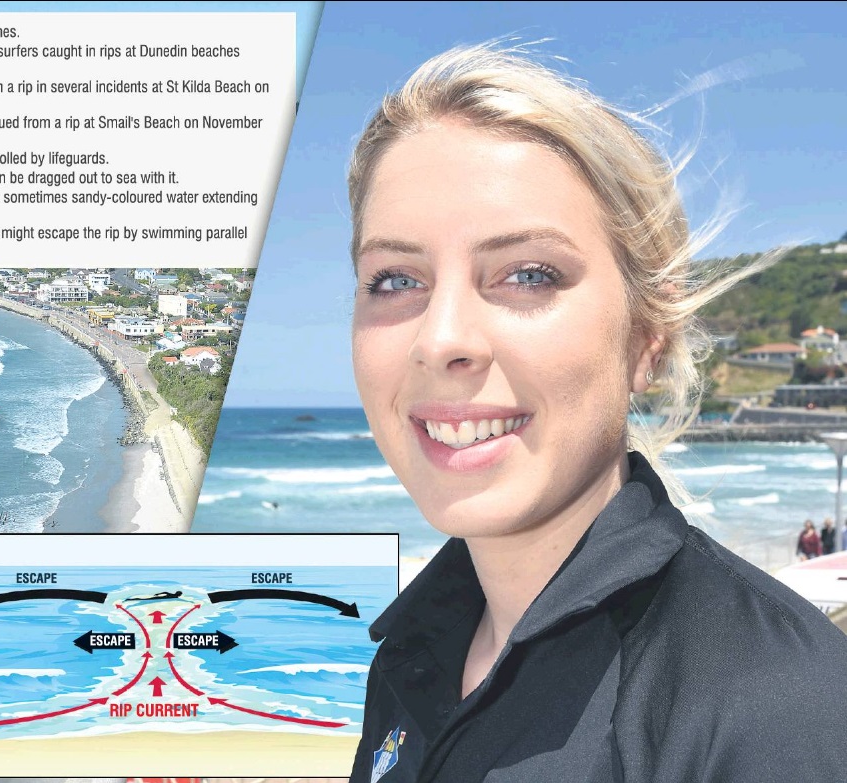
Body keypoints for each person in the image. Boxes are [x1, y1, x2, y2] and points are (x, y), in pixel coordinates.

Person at [346, 43, 847, 782]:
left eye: (528, 274)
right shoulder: (410, 654)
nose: (441, 338)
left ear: (647, 338)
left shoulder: (771, 707)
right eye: (393, 279)